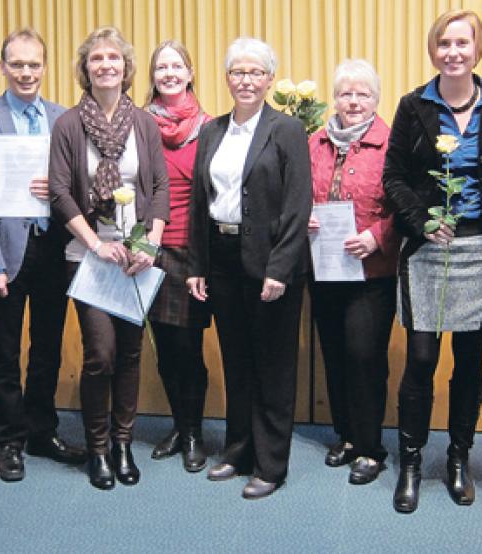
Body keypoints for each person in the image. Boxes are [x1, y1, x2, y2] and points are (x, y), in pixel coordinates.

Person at [383, 9, 482, 513]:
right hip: (426, 249)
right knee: (421, 358)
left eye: (463, 42)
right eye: (445, 43)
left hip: (481, 251)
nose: (454, 52)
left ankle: (459, 459)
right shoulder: (413, 105)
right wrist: (421, 221)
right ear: (433, 49)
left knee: (470, 361)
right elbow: (394, 175)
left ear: (477, 49)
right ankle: (411, 463)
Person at [187, 37, 312, 500]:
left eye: (255, 72)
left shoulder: (287, 130)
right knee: (236, 361)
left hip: (270, 265)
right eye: (238, 72)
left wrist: (279, 268)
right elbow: (201, 203)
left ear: (269, 80)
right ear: (226, 78)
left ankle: (271, 464)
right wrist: (197, 263)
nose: (246, 80)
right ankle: (238, 450)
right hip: (221, 261)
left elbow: (299, 205)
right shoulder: (212, 131)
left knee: (273, 366)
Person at [0, 27, 85, 484]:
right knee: (4, 351)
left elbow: (80, 187)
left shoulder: (64, 118)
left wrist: (58, 190)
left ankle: (41, 429)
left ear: (45, 67)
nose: (26, 72)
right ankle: (10, 439)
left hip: (54, 247)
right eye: (17, 64)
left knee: (47, 347)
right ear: (3, 67)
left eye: (34, 64)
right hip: (5, 254)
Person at [49, 26, 169, 490]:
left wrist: (150, 242)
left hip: (136, 259)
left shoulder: (143, 123)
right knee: (100, 355)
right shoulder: (68, 124)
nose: (105, 65)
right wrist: (96, 244)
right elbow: (60, 191)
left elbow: (158, 188)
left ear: (126, 67)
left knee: (132, 354)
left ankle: (123, 443)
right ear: (85, 68)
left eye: (113, 58)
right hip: (89, 256)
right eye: (96, 58)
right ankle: (97, 448)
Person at [307, 59, 397, 485]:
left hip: (371, 271)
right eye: (346, 93)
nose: (354, 101)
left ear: (376, 100)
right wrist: (303, 215)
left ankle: (370, 446)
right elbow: (297, 193)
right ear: (335, 98)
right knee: (335, 353)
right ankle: (345, 436)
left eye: (363, 94)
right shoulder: (314, 142)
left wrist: (378, 236)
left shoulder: (392, 143)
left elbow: (406, 207)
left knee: (364, 356)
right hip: (324, 268)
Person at [143, 40, 212, 472]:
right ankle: (178, 424)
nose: (168, 73)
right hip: (150, 248)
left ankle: (194, 433)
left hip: (195, 250)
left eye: (176, 66)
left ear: (189, 73)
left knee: (189, 345)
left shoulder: (210, 127)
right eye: (160, 67)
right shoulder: (139, 124)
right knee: (165, 348)